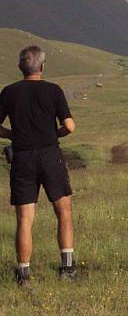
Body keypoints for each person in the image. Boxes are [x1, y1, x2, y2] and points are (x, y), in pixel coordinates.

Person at [0, 46, 77, 285]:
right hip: (50, 155)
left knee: (25, 219)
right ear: (42, 67)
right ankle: (67, 269)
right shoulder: (53, 90)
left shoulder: (9, 92)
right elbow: (70, 126)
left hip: (22, 157)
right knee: (63, 213)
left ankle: (23, 274)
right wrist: (54, 134)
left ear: (20, 67)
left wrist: (14, 135)